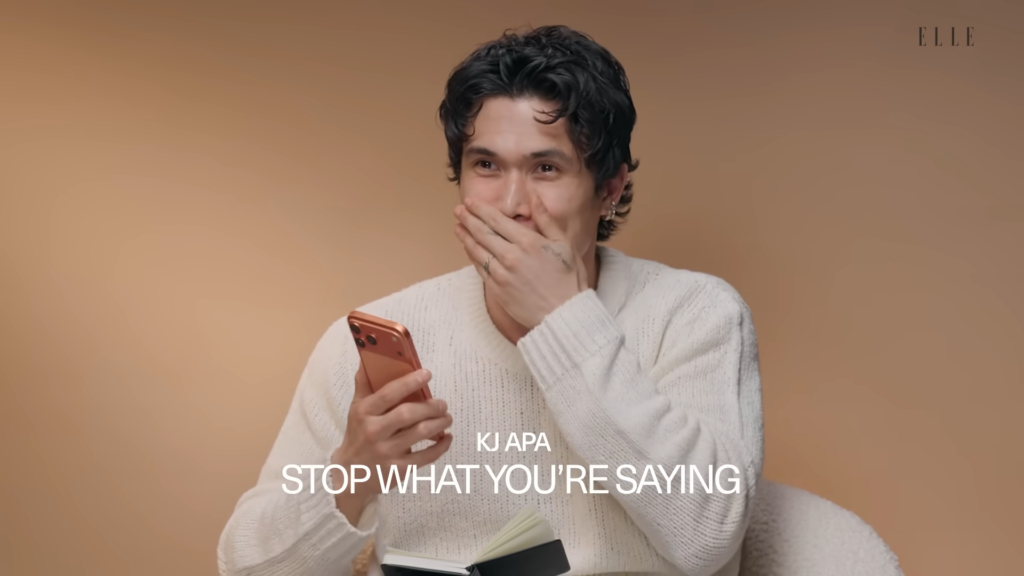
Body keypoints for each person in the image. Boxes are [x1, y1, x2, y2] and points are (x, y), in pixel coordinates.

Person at [217, 24, 764, 576]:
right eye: (486, 165)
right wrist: (354, 474)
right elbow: (246, 568)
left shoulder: (697, 313)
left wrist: (562, 320)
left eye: (545, 168)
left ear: (609, 188)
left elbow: (706, 538)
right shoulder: (374, 337)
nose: (510, 203)